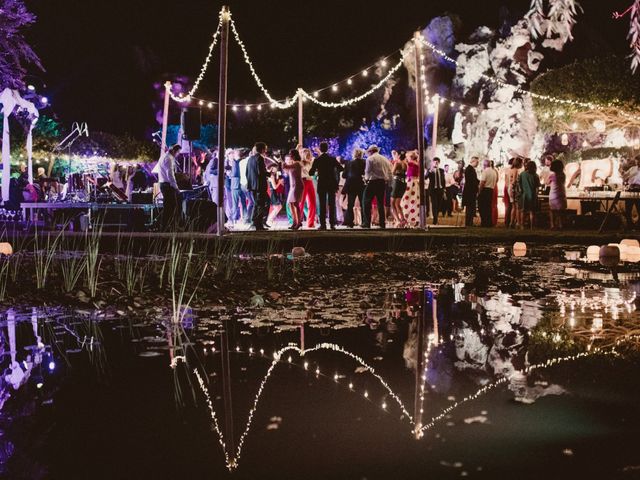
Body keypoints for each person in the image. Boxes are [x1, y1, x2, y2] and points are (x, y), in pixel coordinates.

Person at [309, 142, 343, 230]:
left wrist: (317, 170)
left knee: (322, 204)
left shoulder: (317, 160)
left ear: (320, 149)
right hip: (331, 183)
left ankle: (323, 224)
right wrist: (333, 172)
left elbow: (311, 172)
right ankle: (332, 224)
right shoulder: (332, 159)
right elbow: (341, 168)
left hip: (322, 183)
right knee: (332, 204)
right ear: (327, 149)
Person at [362, 145, 392, 229]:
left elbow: (367, 171)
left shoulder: (370, 159)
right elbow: (390, 172)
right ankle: (382, 223)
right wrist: (389, 183)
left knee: (366, 201)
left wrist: (366, 179)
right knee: (380, 203)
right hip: (382, 182)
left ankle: (367, 222)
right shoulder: (385, 159)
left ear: (371, 151)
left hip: (373, 181)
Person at [246, 142, 270, 231]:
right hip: (260, 186)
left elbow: (247, 172)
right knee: (261, 204)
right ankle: (258, 224)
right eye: (265, 149)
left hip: (252, 186)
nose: (266, 151)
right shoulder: (259, 158)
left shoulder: (250, 159)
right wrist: (269, 173)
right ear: (263, 149)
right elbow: (261, 172)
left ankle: (255, 221)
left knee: (257, 204)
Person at [157, 144, 181, 231]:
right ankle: (169, 226)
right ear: (174, 151)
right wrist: (176, 187)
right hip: (167, 185)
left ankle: (166, 226)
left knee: (168, 206)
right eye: (178, 152)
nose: (178, 154)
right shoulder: (169, 159)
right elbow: (170, 174)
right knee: (172, 206)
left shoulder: (163, 157)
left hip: (163, 184)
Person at [282, 149, 304, 230]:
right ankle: (294, 222)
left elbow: (285, 167)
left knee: (295, 204)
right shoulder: (293, 164)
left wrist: (282, 161)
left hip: (297, 185)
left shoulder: (297, 163)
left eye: (291, 154)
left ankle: (299, 222)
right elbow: (286, 171)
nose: (290, 156)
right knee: (290, 203)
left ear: (294, 155)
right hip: (292, 186)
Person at [401, 151, 421, 227]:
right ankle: (412, 218)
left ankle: (408, 218)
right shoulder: (416, 163)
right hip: (413, 182)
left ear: (411, 157)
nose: (407, 158)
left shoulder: (411, 163)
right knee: (413, 199)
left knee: (408, 199)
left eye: (408, 157)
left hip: (411, 182)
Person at [518, 160, 540, 229]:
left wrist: (521, 191)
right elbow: (537, 187)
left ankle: (522, 225)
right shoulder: (536, 175)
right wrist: (536, 195)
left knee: (523, 211)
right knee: (532, 212)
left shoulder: (522, 174)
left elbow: (519, 184)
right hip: (532, 195)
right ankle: (532, 226)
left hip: (524, 195)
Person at [299, 148, 317, 228]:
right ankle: (298, 221)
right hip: (303, 181)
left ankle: (310, 223)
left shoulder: (312, 162)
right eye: (307, 154)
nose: (309, 156)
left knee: (312, 202)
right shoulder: (300, 163)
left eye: (309, 154)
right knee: (301, 203)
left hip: (310, 181)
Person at [477, 159, 497, 227]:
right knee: (488, 207)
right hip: (491, 190)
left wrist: (479, 191)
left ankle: (484, 222)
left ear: (485, 165)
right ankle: (489, 222)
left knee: (482, 207)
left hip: (485, 190)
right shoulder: (494, 172)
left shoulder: (485, 171)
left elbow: (482, 182)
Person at [548, 159, 567, 230]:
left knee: (552, 211)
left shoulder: (552, 176)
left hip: (553, 194)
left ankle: (552, 225)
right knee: (560, 211)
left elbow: (547, 182)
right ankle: (560, 224)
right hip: (561, 194)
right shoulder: (563, 175)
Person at [390, 151, 408, 227]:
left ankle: (398, 220)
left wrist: (392, 165)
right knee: (398, 203)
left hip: (397, 183)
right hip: (403, 183)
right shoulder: (405, 164)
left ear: (399, 156)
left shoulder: (397, 163)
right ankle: (403, 219)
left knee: (392, 203)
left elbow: (392, 172)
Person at [427, 157, 446, 225]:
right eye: (435, 162)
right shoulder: (430, 170)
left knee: (439, 205)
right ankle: (435, 219)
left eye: (437, 162)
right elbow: (426, 177)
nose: (436, 163)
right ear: (432, 162)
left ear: (439, 163)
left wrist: (444, 189)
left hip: (440, 190)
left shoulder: (441, 170)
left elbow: (443, 180)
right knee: (434, 204)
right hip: (433, 190)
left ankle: (436, 216)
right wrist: (429, 171)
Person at [623, 155, 640, 229]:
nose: (637, 162)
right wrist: (624, 176)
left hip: (639, 189)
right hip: (631, 189)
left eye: (638, 161)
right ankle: (629, 225)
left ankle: (638, 225)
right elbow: (624, 177)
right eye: (636, 161)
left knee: (639, 208)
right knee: (628, 208)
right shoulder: (632, 169)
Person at [462, 157, 479, 227]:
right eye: (477, 162)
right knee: (469, 208)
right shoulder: (469, 169)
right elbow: (472, 181)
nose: (477, 164)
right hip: (470, 192)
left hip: (470, 191)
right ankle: (468, 223)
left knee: (471, 208)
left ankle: (470, 222)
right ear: (473, 161)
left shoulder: (470, 169)